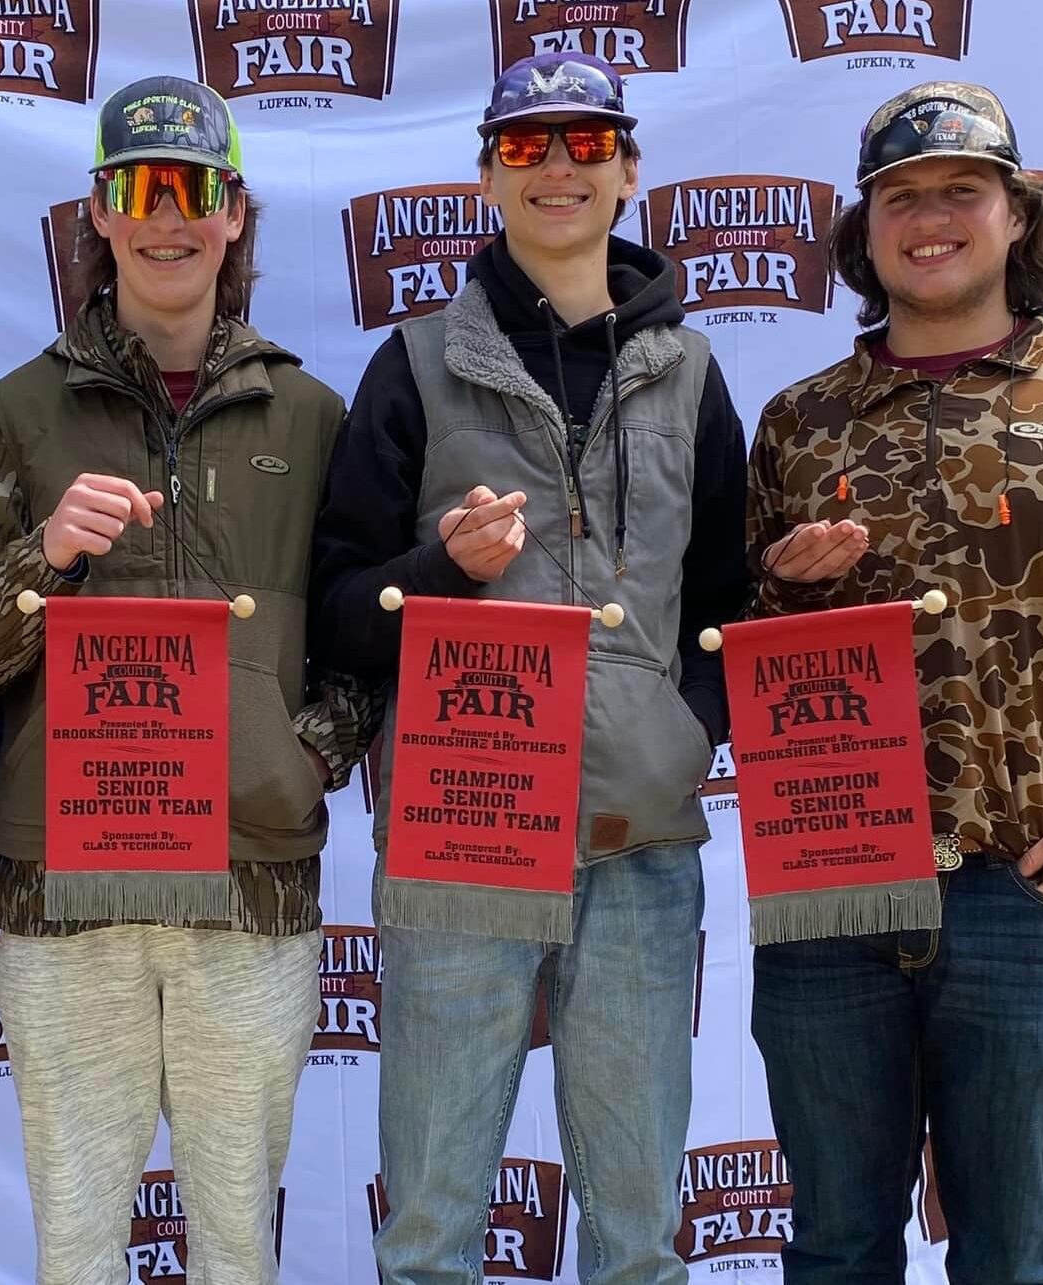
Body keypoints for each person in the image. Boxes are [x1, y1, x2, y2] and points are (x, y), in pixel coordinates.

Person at [743, 81, 1043, 1283]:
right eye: (898, 197)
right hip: (834, 885)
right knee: (835, 1243)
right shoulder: (800, 423)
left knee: (1015, 1250)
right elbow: (743, 650)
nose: (930, 218)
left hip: (1027, 890)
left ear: (1018, 214)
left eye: (961, 189)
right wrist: (789, 595)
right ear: (863, 233)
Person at [309, 52, 750, 1285]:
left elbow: (725, 598)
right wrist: (440, 569)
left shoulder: (695, 372)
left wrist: (684, 731)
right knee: (434, 1236)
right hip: (463, 837)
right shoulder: (412, 363)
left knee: (638, 1242)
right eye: (524, 144)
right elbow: (338, 611)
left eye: (586, 141)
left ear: (627, 169)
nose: (558, 165)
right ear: (488, 177)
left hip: (643, 838)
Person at [0, 76, 368, 1285]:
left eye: (195, 189)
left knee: (237, 1236)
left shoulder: (316, 414)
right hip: (67, 901)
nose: (167, 217)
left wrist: (303, 751)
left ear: (235, 216)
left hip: (249, 889)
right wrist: (47, 557)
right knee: (77, 1237)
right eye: (139, 189)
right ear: (99, 213)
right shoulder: (18, 413)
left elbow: (361, 648)